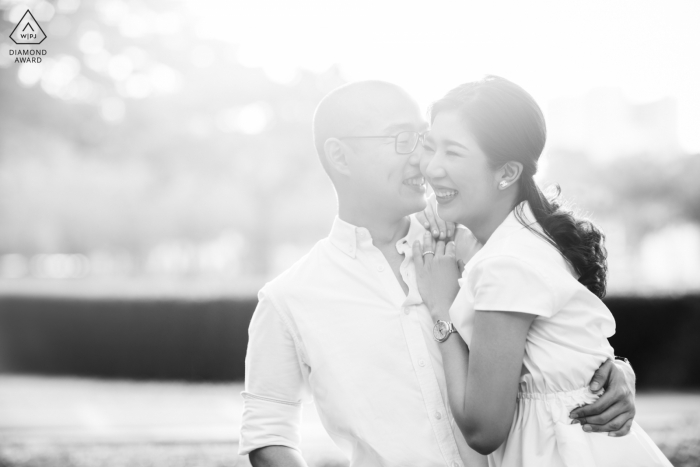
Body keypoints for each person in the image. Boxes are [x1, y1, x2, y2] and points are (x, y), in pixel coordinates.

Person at [240, 80, 637, 467]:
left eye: (422, 139)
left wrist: (608, 372)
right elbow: (268, 434)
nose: (422, 160)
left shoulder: (480, 251)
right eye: (401, 140)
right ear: (341, 157)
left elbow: (554, 344)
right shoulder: (288, 298)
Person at [414, 75, 671, 466]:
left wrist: (441, 309)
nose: (432, 169)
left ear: (507, 172)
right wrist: (615, 369)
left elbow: (484, 430)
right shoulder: (528, 237)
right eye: (431, 147)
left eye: (454, 152)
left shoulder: (506, 261)